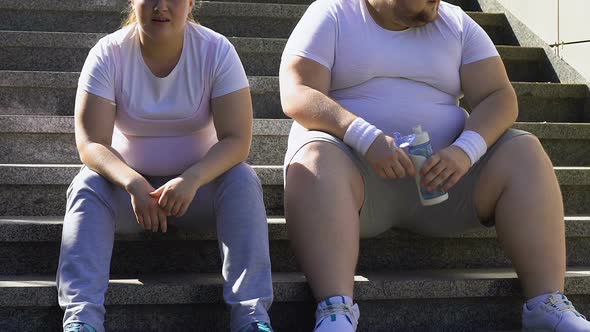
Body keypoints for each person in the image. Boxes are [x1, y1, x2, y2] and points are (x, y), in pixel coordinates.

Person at [279, 0, 590, 331]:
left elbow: (499, 96)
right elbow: (297, 90)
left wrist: (465, 150)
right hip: (355, 182)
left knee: (525, 150)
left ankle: (546, 303)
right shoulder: (333, 14)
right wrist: (364, 137)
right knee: (314, 157)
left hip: (445, 182)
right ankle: (335, 309)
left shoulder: (456, 22)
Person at [56, 0, 274, 331]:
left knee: (242, 180)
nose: (161, 7)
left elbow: (237, 140)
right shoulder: (108, 53)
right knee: (87, 184)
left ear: (190, 3)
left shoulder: (216, 51)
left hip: (197, 193)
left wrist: (192, 179)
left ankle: (252, 318)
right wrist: (133, 183)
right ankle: (81, 321)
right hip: (131, 199)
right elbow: (91, 144)